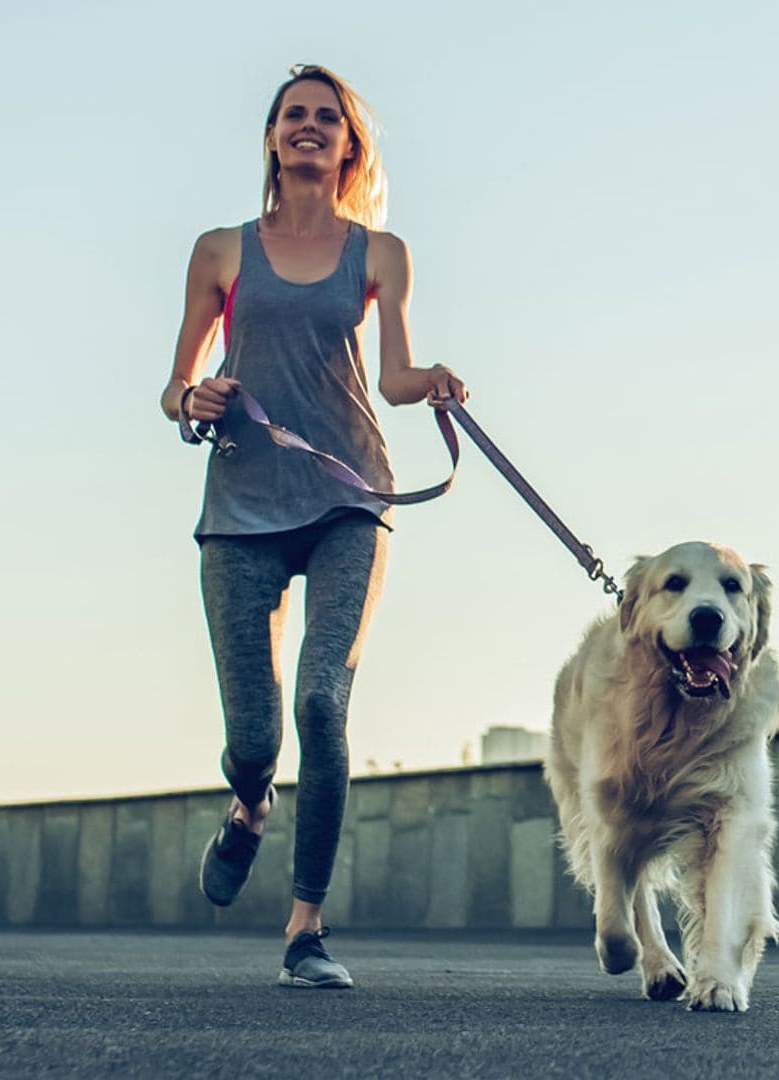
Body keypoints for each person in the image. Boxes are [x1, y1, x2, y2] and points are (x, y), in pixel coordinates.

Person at [160, 64, 467, 988]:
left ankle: (306, 930)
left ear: (348, 146)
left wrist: (436, 384)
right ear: (271, 137)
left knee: (323, 702)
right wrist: (195, 394)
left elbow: (394, 378)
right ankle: (249, 808)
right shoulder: (220, 250)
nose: (308, 127)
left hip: (348, 497)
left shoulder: (379, 253)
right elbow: (175, 385)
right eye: (293, 115)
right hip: (242, 509)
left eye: (326, 118)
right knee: (255, 739)